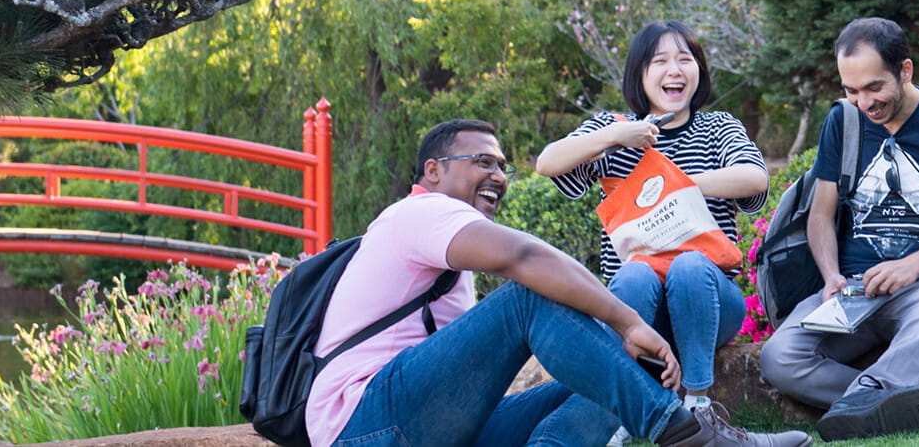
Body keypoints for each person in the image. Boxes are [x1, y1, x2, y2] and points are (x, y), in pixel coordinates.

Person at [306, 119, 808, 446]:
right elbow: (524, 257)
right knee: (530, 296)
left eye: (502, 165)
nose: (498, 175)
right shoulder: (417, 213)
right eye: (482, 162)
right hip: (365, 425)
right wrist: (627, 320)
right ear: (433, 171)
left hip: (419, 422)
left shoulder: (446, 250)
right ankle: (691, 436)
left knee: (621, 373)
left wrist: (616, 345)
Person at [534, 20, 769, 445]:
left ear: (698, 71)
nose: (674, 70)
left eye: (685, 59)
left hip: (709, 302)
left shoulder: (717, 127)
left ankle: (698, 405)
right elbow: (548, 162)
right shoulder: (615, 131)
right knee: (636, 273)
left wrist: (676, 188)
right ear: (640, 75)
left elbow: (754, 178)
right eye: (660, 60)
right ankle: (631, 407)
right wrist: (614, 136)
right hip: (636, 307)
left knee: (690, 265)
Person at [757, 17, 919, 441]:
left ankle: (866, 404)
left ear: (906, 70)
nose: (864, 102)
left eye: (874, 87)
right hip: (852, 291)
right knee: (779, 358)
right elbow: (821, 216)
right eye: (851, 90)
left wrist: (911, 267)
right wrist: (830, 275)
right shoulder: (843, 122)